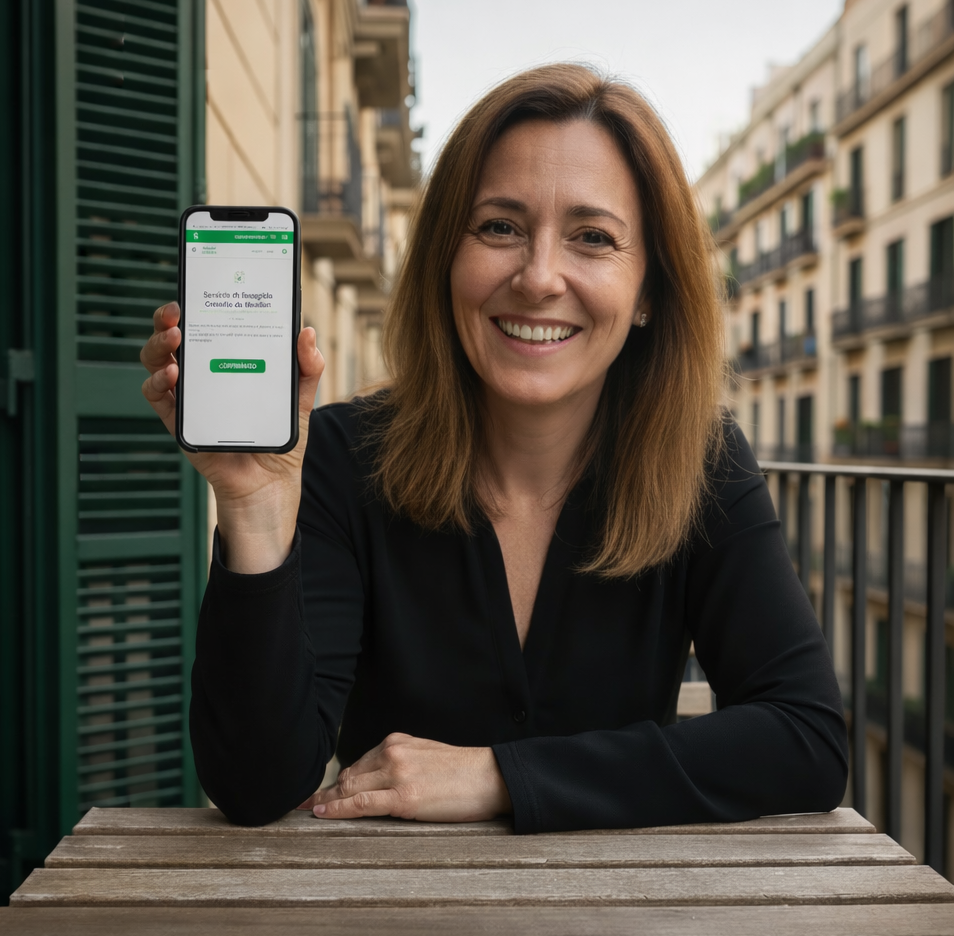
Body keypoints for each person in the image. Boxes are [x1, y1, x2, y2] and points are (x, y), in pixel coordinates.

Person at [140, 64, 848, 832]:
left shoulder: (704, 465)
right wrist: (252, 508)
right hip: (388, 931)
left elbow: (806, 740)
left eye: (593, 238)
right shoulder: (343, 457)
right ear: (448, 260)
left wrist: (500, 776)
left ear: (649, 294)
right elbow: (255, 783)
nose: (540, 277)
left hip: (626, 933)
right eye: (500, 227)